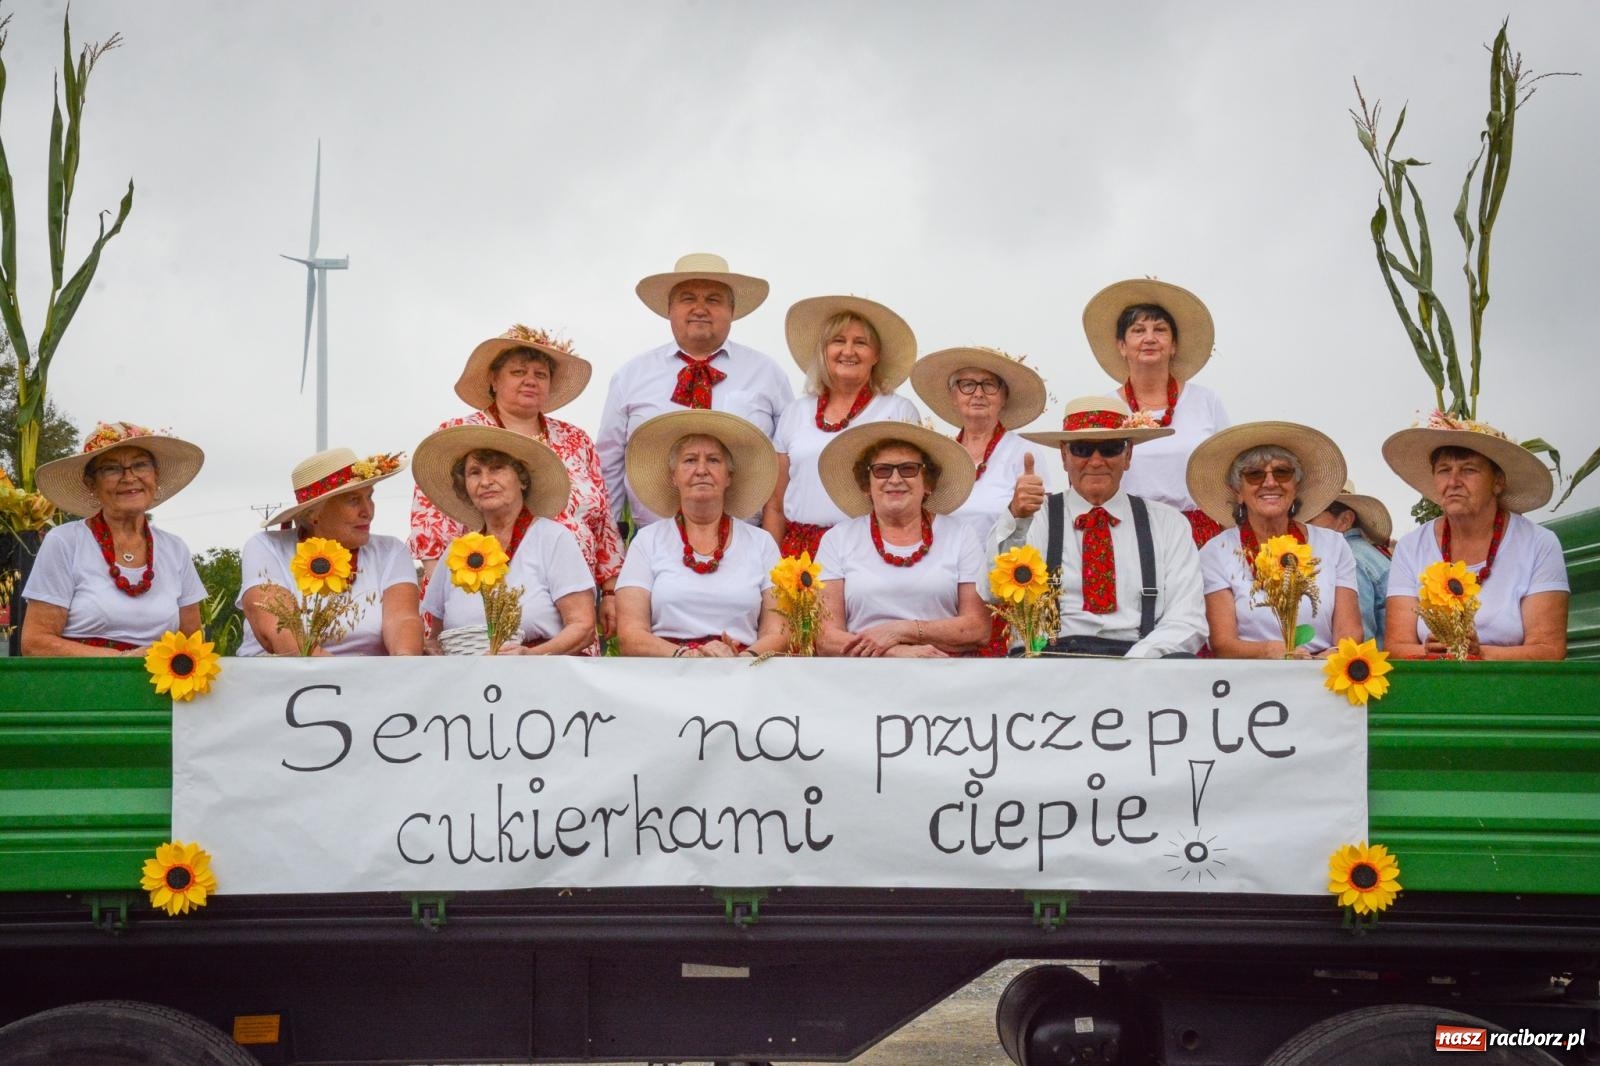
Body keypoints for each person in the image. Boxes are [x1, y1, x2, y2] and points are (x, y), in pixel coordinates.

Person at [408, 324, 622, 632]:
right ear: (494, 379)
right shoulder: (459, 435)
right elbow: (430, 531)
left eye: (540, 374)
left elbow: (603, 524)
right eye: (518, 372)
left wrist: (612, 591)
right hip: (483, 598)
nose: (530, 381)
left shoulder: (576, 439)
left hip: (573, 598)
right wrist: (455, 600)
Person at [990, 396, 1206, 657]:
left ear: (1128, 455)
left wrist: (1134, 665)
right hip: (1050, 666)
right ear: (1064, 455)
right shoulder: (1034, 517)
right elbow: (990, 591)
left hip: (1142, 666)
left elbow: (1188, 620)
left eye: (1110, 448)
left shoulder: (1168, 525)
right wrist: (1018, 518)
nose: (1095, 461)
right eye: (1082, 449)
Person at [597, 253, 795, 528]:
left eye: (713, 300)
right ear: (669, 309)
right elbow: (609, 462)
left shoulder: (767, 374)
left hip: (749, 544)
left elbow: (788, 461)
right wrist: (611, 534)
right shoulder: (630, 376)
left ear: (732, 311)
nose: (700, 309)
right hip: (652, 544)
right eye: (688, 298)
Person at [1381, 414, 1568, 660]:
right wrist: (1430, 651)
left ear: (1498, 481)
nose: (1454, 481)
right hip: (1433, 686)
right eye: (1444, 470)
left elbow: (1549, 650)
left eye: (1469, 470)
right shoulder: (1410, 547)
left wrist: (1479, 653)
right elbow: (1395, 647)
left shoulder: (1539, 543)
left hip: (1511, 689)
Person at [21, 422, 207, 656]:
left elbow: (193, 643)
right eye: (111, 469)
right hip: (82, 685)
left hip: (159, 688)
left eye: (140, 465)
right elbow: (36, 643)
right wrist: (122, 661)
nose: (129, 477)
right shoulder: (65, 541)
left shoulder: (175, 548)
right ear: (91, 484)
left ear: (155, 476)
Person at [411, 425, 596, 655]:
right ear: (465, 486)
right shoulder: (456, 552)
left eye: (497, 469)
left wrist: (530, 656)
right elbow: (437, 638)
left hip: (541, 679)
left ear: (522, 480)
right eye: (474, 472)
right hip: (467, 682)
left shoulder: (552, 538)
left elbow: (583, 627)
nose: (485, 481)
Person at [615, 411, 787, 657]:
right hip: (666, 673)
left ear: (729, 476)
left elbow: (779, 631)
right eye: (690, 460)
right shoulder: (647, 541)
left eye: (714, 460)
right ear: (673, 476)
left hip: (742, 673)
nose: (702, 469)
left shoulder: (761, 543)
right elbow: (630, 635)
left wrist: (742, 658)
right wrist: (684, 655)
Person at [764, 295, 921, 557]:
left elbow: (912, 498)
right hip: (799, 556)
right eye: (838, 341)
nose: (848, 351)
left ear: (876, 355)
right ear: (824, 351)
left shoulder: (897, 411)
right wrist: (770, 566)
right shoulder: (795, 412)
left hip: (869, 550)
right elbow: (775, 505)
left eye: (860, 343)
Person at [1187, 422, 1360, 659]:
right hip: (1250, 676)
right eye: (1255, 474)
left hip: (1324, 672)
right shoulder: (1216, 552)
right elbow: (1223, 643)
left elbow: (1349, 631)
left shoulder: (1334, 545)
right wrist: (1272, 651)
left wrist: (1333, 655)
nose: (1270, 482)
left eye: (1282, 472)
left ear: (1295, 486)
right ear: (1238, 491)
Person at [814, 422, 987, 657]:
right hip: (862, 678)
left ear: (928, 482)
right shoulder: (837, 539)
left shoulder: (961, 535)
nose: (895, 479)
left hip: (944, 674)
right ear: (867, 485)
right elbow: (825, 638)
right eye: (882, 470)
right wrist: (893, 652)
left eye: (908, 469)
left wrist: (903, 630)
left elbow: (978, 628)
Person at [1083, 278, 1230, 546]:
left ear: (1173, 345)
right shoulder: (1104, 408)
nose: (1149, 338)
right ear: (1121, 346)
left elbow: (1228, 473)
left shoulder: (1206, 401)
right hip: (1126, 530)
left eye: (1160, 330)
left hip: (1198, 533)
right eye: (1138, 330)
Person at [239, 447, 423, 656]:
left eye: (369, 497)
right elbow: (278, 628)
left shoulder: (391, 551)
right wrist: (345, 681)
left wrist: (404, 664)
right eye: (353, 500)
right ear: (313, 514)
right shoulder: (267, 547)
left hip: (371, 682)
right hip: (284, 682)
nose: (368, 511)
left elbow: (402, 620)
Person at [1309, 479, 1393, 647]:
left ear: (1345, 520)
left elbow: (1357, 642)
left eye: (1312, 515)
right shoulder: (1365, 553)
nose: (1304, 523)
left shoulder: (1351, 559)